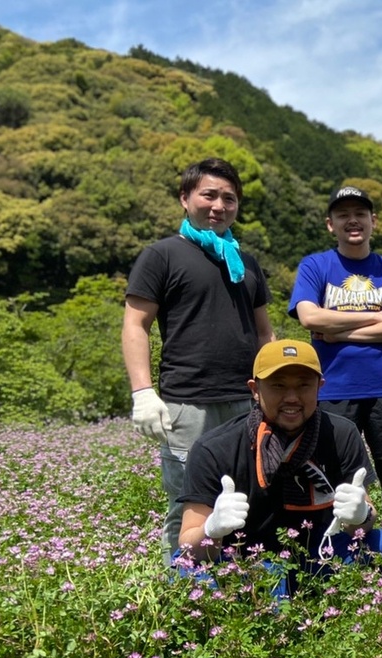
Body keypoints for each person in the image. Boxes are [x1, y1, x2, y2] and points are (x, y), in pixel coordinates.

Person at [122, 157, 275, 561]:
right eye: (209, 195)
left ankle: (245, 583)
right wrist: (142, 391)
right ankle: (182, 590)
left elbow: (264, 333)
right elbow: (135, 325)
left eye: (229, 198)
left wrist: (270, 389)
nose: (218, 206)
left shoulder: (245, 262)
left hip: (248, 402)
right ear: (185, 198)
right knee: (188, 503)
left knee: (250, 497)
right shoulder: (162, 255)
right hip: (187, 404)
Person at [176, 340, 382, 596]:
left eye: (304, 385)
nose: (292, 398)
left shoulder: (341, 434)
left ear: (320, 387)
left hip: (320, 553)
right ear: (255, 389)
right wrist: (212, 530)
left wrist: (362, 516)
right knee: (186, 571)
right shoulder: (215, 448)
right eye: (278, 385)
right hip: (245, 559)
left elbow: (362, 523)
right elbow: (188, 544)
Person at [289, 186, 382, 528]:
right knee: (332, 475)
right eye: (343, 215)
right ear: (331, 224)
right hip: (332, 389)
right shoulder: (315, 265)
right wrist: (379, 316)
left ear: (373, 222)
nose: (352, 221)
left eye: (360, 214)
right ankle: (334, 544)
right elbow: (310, 318)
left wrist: (338, 332)